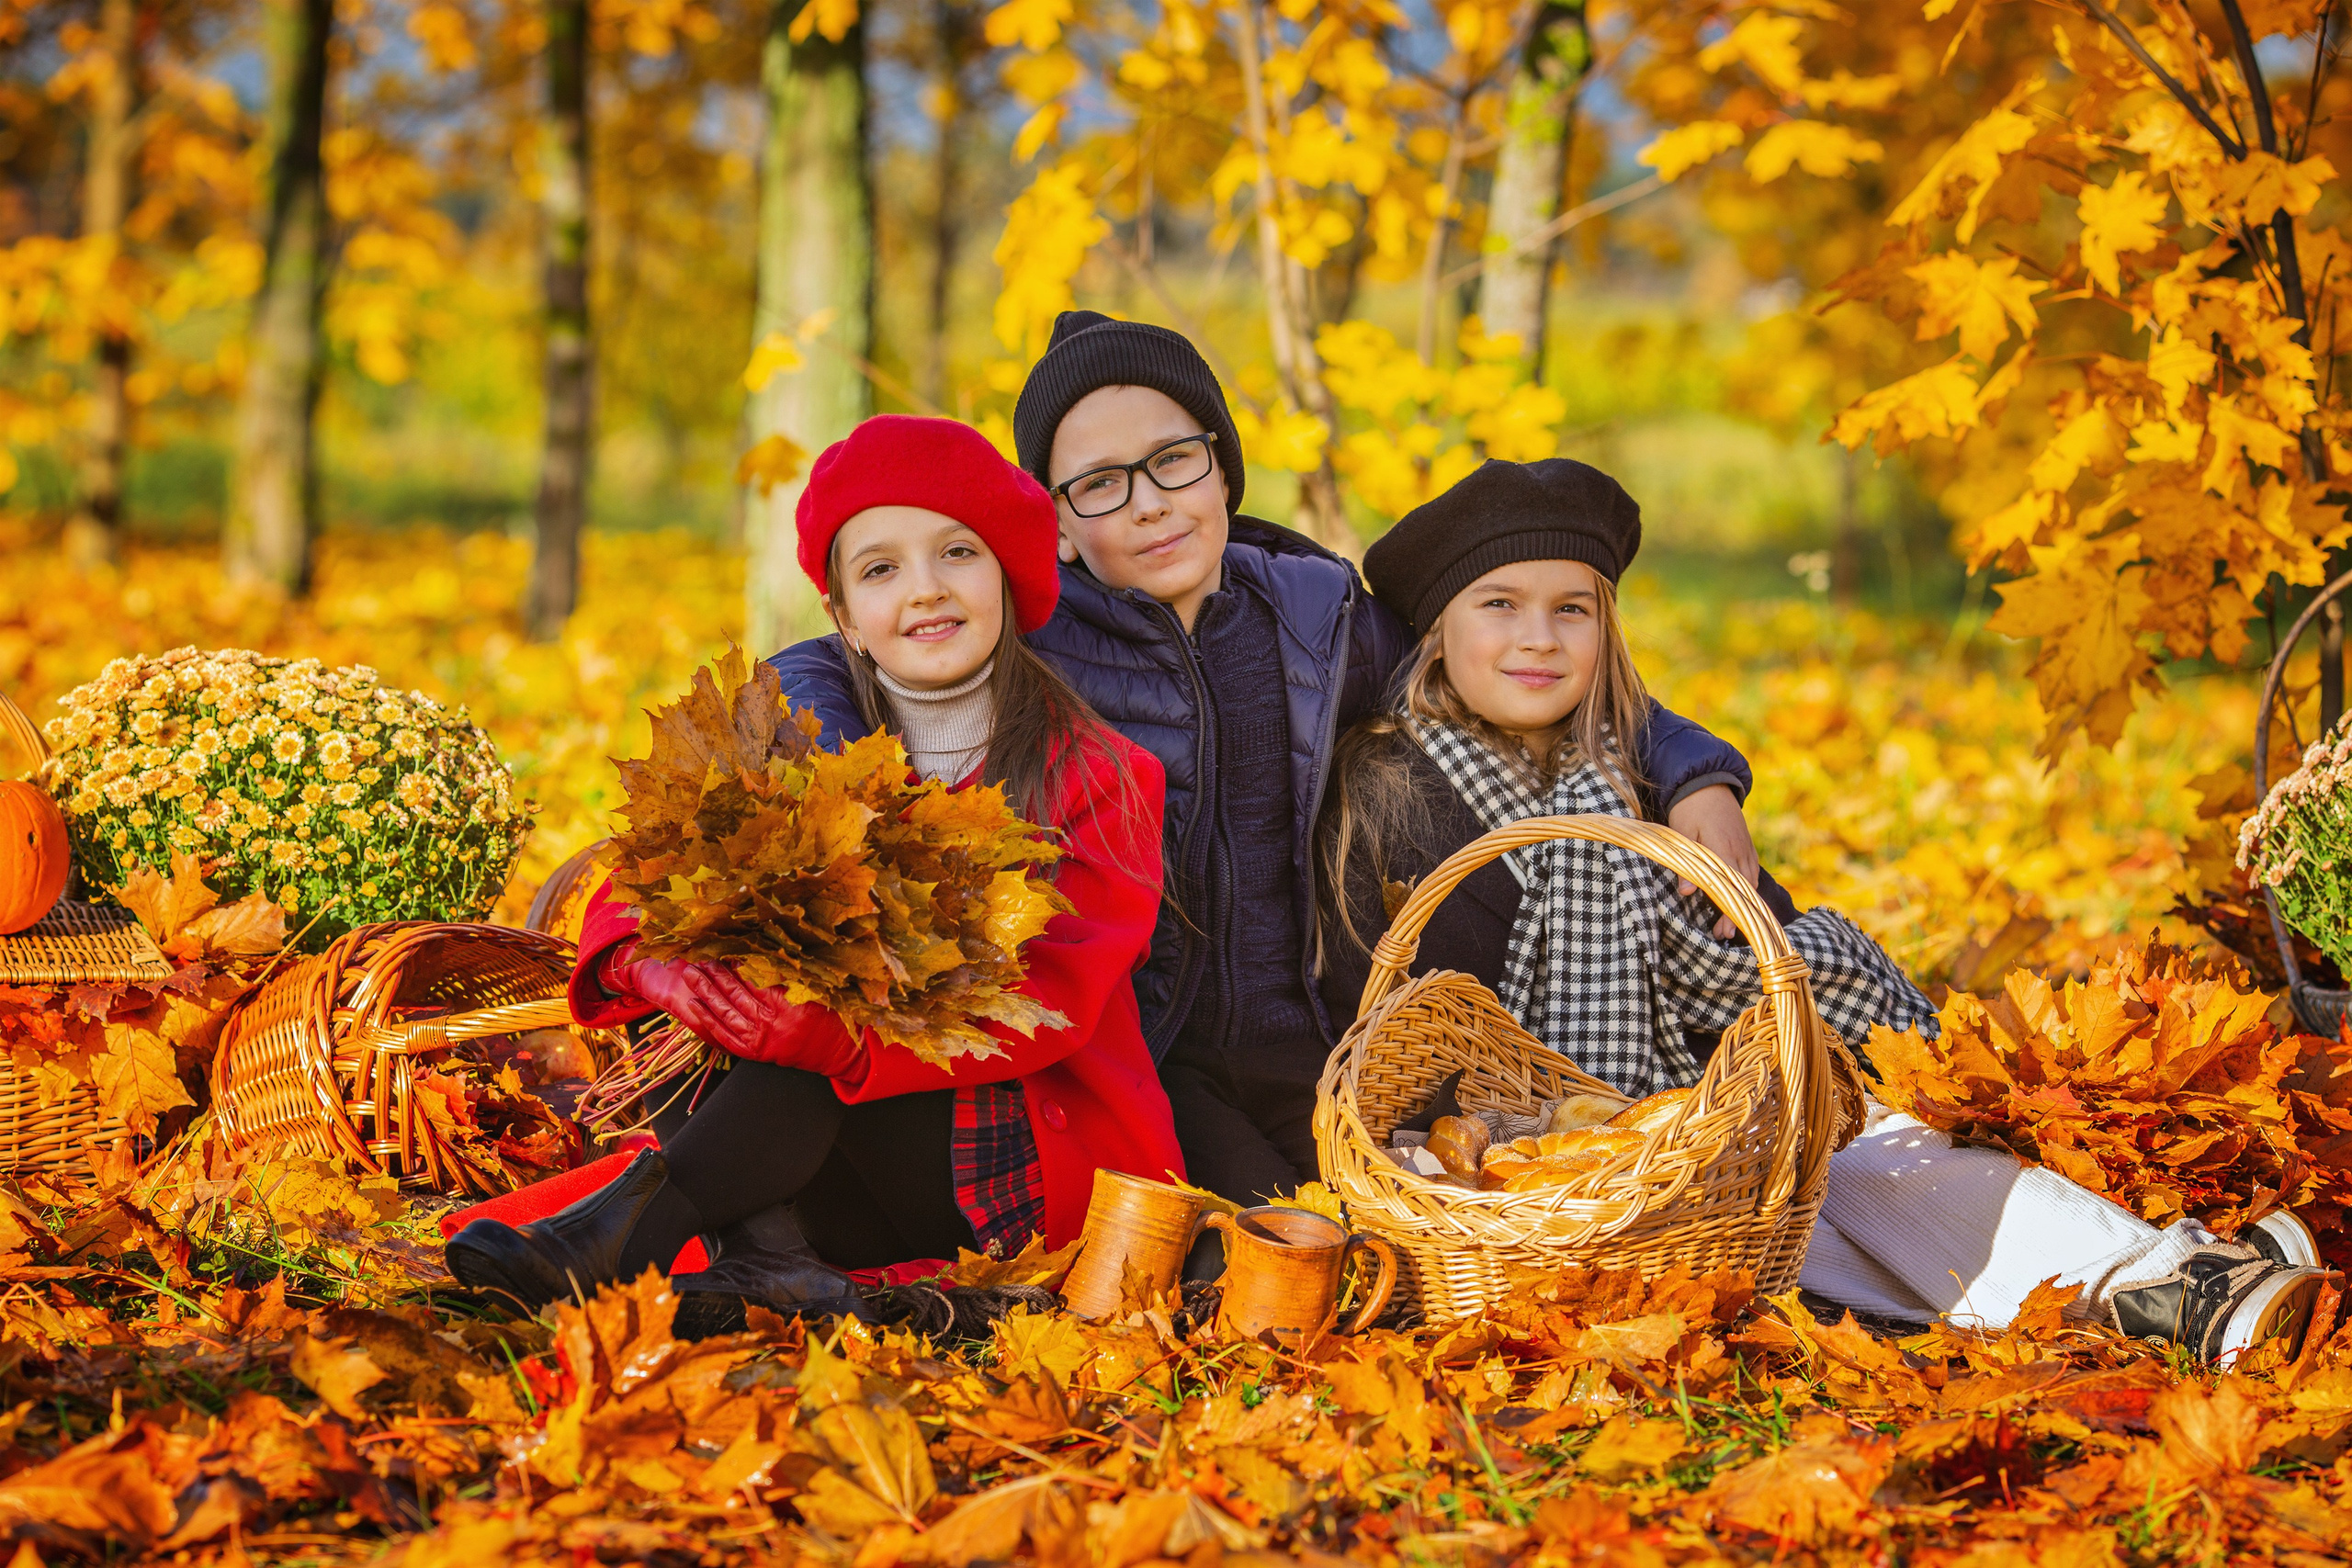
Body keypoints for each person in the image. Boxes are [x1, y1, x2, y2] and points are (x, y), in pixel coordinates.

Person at [1316, 456, 2327, 1365]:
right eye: (1499, 604)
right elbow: (1414, 1028)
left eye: (1572, 609)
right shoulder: (1396, 801)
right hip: (1539, 1165)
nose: (1538, 638)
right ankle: (2162, 1279)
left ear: (1604, 625)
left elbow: (1754, 959)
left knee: (1858, 1160)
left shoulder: (1631, 775)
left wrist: (1700, 794)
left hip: (1691, 1114)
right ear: (1436, 630)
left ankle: (2174, 1294)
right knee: (1825, 1214)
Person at [772, 310, 1768, 1219]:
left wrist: (1695, 772)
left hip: (1323, 1039)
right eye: (1101, 485)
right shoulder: (1033, 633)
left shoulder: (1316, 615)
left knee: (1400, 1224)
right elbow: (832, 660)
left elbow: (1499, 663)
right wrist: (813, 733)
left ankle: (1774, 1053)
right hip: (1162, 1056)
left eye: (1174, 462)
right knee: (1288, 1233)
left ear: (1221, 469)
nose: (1151, 505)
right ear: (1060, 525)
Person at [447, 416, 1181, 1328]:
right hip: (823, 1177)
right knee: (720, 961)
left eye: (957, 552)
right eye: (880, 569)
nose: (924, 590)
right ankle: (766, 1267)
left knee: (820, 1004)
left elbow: (1053, 999)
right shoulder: (802, 743)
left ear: (1009, 578)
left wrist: (841, 1040)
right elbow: (637, 886)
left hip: (1008, 1164)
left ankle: (617, 1244)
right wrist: (660, 967)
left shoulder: (1101, 774)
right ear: (844, 619)